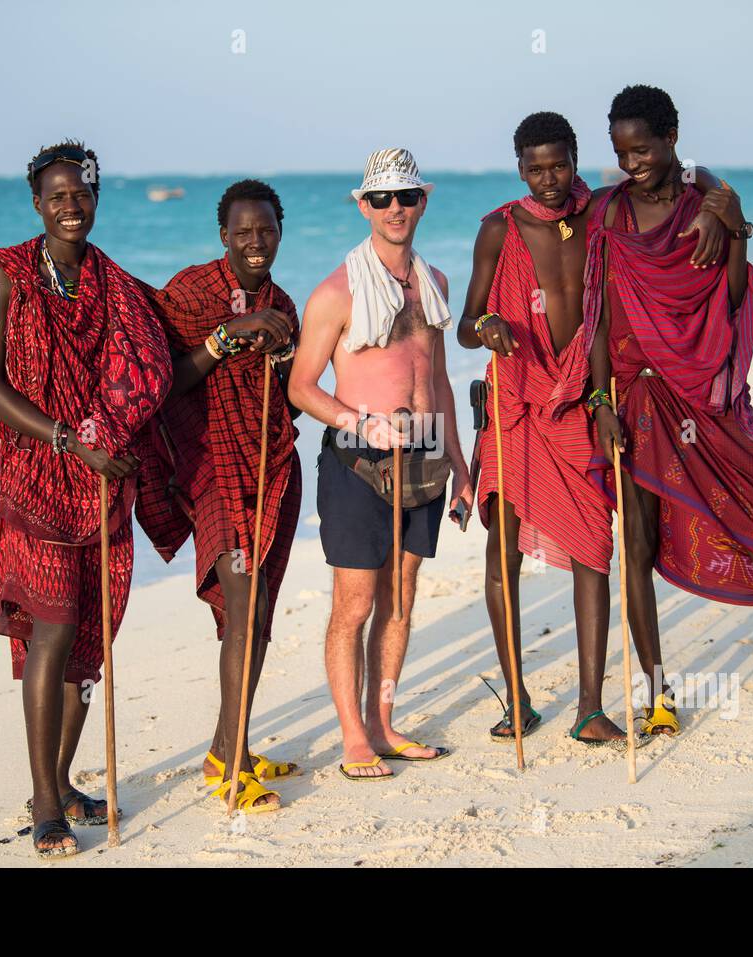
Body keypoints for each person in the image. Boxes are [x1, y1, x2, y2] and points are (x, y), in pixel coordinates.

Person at [584, 85, 753, 739]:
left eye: (644, 149)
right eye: (622, 154)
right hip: (639, 400)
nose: (633, 165)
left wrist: (732, 222)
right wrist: (600, 401)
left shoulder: (705, 208)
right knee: (639, 545)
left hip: (711, 400)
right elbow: (597, 316)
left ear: (672, 136)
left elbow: (734, 296)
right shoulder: (606, 215)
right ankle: (656, 696)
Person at [457, 112, 727, 746]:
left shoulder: (603, 211)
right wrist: (487, 328)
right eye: (534, 168)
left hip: (580, 398)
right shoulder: (498, 228)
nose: (548, 179)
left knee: (592, 550)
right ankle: (517, 697)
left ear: (576, 158)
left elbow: (691, 176)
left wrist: (721, 204)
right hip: (516, 402)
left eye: (558, 164)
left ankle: (588, 707)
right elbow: (466, 323)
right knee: (503, 553)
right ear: (518, 167)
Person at [0, 141, 173, 857]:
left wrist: (236, 333)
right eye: (57, 196)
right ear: (36, 203)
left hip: (101, 479)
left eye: (83, 194)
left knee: (86, 640)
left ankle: (65, 778)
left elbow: (161, 352)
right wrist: (72, 441)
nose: (71, 205)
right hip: (41, 473)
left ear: (97, 199)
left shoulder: (112, 284)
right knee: (51, 626)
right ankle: (46, 802)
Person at [288, 148, 472, 780]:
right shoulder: (336, 292)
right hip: (358, 462)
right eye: (383, 198)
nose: (396, 209)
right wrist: (360, 423)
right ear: (363, 205)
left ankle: (384, 724)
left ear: (423, 200)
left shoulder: (436, 283)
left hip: (424, 456)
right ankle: (353, 738)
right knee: (357, 605)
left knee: (400, 603)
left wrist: (462, 466)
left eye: (408, 196)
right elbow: (302, 386)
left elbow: (440, 382)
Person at [135, 179, 302, 814]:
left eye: (266, 230)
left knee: (257, 617)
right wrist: (229, 337)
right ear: (223, 237)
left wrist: (282, 351)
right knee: (242, 605)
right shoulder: (193, 291)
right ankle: (232, 769)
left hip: (272, 470)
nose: (255, 242)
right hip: (215, 469)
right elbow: (162, 382)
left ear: (279, 233)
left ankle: (223, 747)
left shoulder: (284, 300)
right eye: (243, 232)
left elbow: (289, 397)